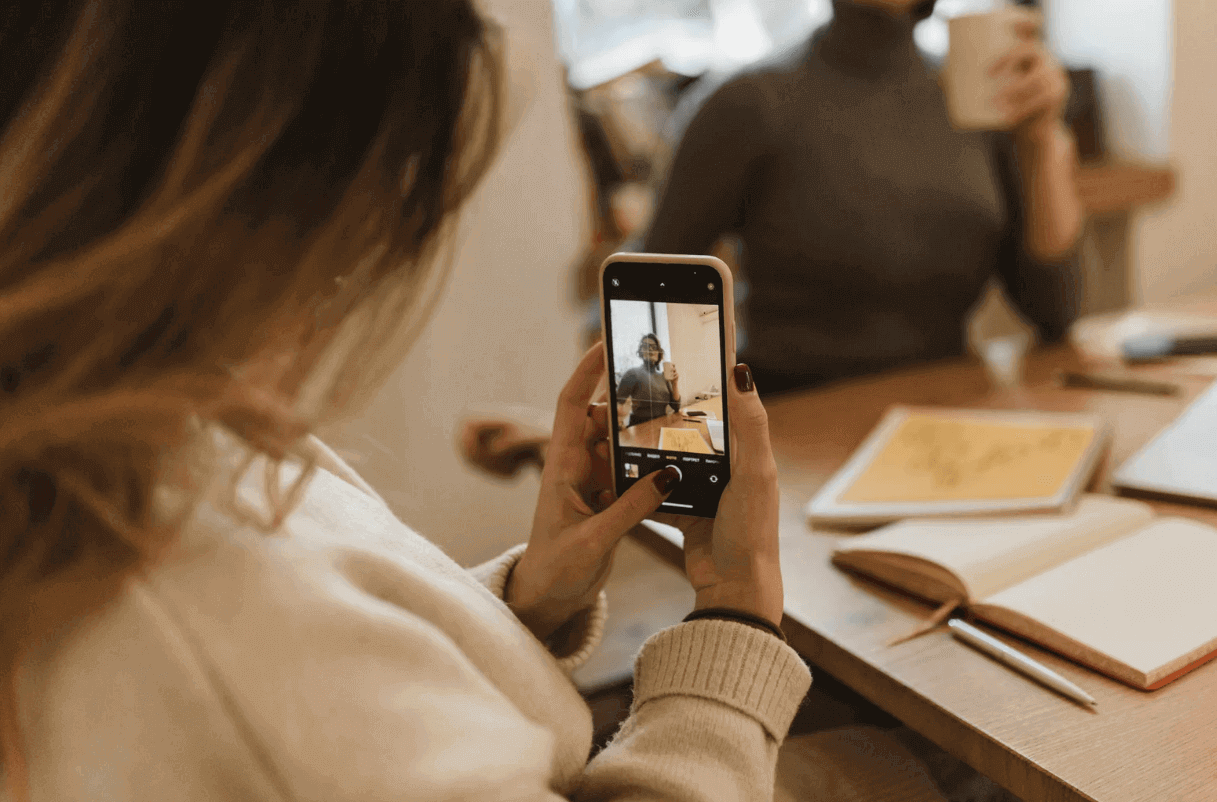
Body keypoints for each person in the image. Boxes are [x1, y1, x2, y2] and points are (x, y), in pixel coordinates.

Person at [0, 2, 985, 801]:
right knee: (952, 761)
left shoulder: (156, 423)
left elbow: (356, 677)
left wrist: (528, 598)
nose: (344, 289)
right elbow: (307, 685)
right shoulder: (209, 626)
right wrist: (734, 616)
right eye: (358, 229)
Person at [644, 0, 1084, 395]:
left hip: (944, 415)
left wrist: (1042, 141)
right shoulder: (751, 104)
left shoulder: (974, 98)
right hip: (795, 422)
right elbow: (644, 295)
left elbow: (1055, 311)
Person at [615, 332, 681, 426]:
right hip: (640, 429)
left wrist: (675, 383)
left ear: (658, 353)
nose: (650, 349)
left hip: (661, 426)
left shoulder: (663, 376)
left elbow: (676, 407)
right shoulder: (632, 373)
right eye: (646, 346)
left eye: (654, 347)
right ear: (641, 352)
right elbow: (616, 404)